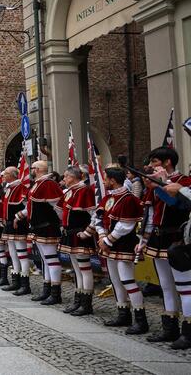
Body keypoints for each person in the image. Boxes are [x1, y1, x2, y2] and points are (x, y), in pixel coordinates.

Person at [140, 146, 191, 345]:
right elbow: (151, 214)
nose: (151, 166)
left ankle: (188, 332)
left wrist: (163, 184)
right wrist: (143, 239)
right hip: (158, 239)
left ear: (167, 162)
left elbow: (178, 204)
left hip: (178, 238)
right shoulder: (154, 185)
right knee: (166, 287)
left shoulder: (184, 182)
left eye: (154, 162)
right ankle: (169, 327)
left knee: (185, 287)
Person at [93, 166, 148, 335]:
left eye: (106, 178)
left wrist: (108, 240)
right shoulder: (108, 197)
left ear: (113, 180)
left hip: (123, 244)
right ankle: (123, 314)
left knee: (128, 281)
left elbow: (126, 225)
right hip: (108, 244)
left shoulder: (128, 199)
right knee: (115, 281)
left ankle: (141, 319)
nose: (104, 181)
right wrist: (102, 235)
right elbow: (98, 217)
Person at [22, 160, 65, 304]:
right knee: (45, 259)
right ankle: (46, 289)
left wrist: (58, 222)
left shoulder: (48, 184)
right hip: (39, 227)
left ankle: (55, 292)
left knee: (51, 259)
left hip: (48, 227)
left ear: (39, 169)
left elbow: (58, 207)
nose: (31, 170)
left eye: (33, 168)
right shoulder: (38, 184)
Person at [58, 166, 96, 316]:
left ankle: (86, 303)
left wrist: (88, 231)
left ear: (73, 177)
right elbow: (60, 210)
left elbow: (94, 214)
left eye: (66, 177)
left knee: (84, 268)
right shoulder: (70, 192)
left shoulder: (84, 191)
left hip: (80, 233)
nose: (64, 180)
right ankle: (78, 299)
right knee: (76, 269)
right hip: (71, 233)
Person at [0, 166, 30, 295]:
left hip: (18, 225)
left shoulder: (21, 188)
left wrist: (19, 217)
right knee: (12, 253)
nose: (3, 176)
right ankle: (15, 281)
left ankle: (25, 284)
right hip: (9, 224)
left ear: (12, 175)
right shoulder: (9, 188)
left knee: (22, 254)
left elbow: (27, 207)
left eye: (5, 174)